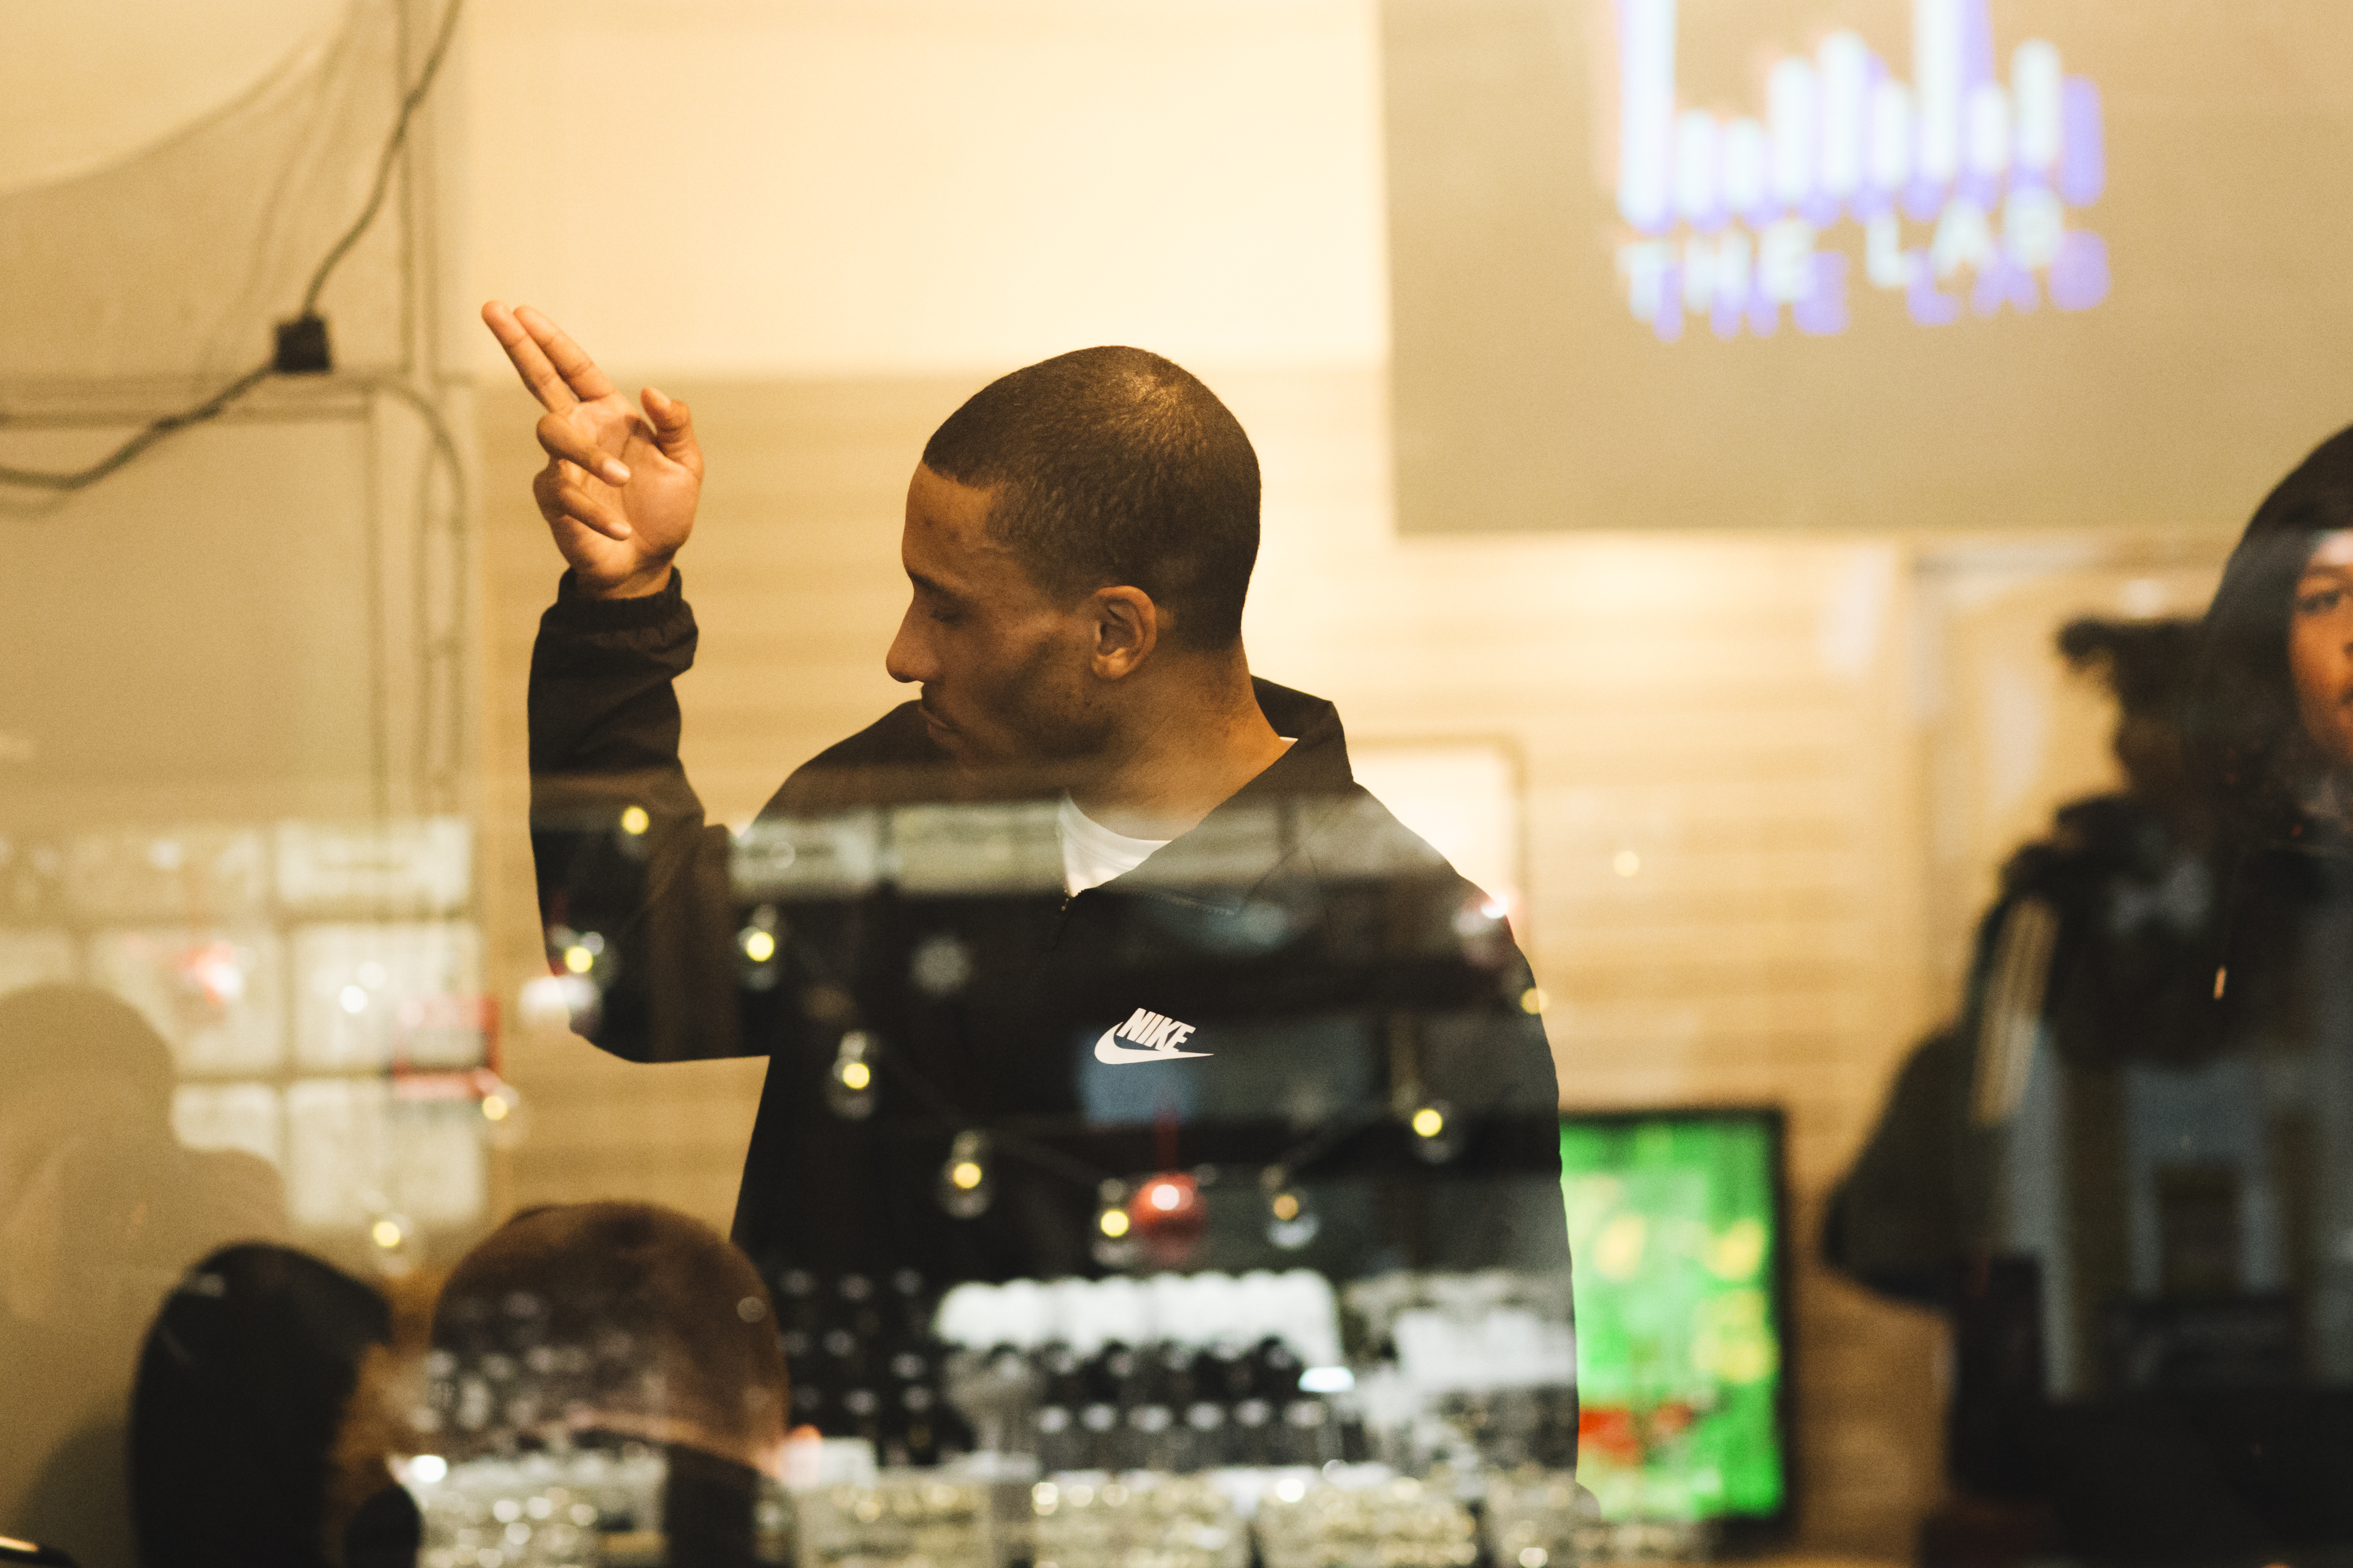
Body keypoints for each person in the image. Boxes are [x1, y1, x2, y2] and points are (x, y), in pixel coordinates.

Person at [483, 305, 1570, 1452]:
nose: (904, 652)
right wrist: (621, 604)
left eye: (948, 606)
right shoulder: (893, 798)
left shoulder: (1409, 949)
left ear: (1116, 632)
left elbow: (1500, 1412)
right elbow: (638, 967)